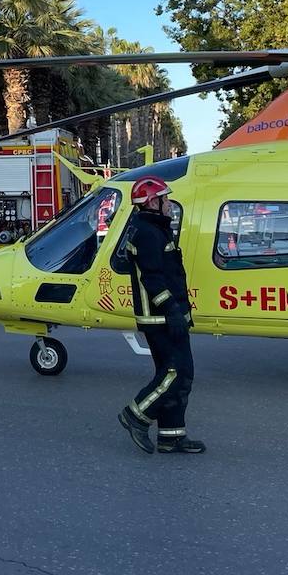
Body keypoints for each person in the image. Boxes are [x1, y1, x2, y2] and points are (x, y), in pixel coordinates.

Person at [117, 176, 204, 455]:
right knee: (176, 374)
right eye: (166, 199)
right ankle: (136, 415)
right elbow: (153, 279)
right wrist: (172, 311)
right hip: (160, 319)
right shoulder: (147, 233)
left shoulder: (154, 229)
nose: (169, 204)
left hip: (169, 316)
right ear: (153, 202)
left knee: (181, 376)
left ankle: (171, 436)